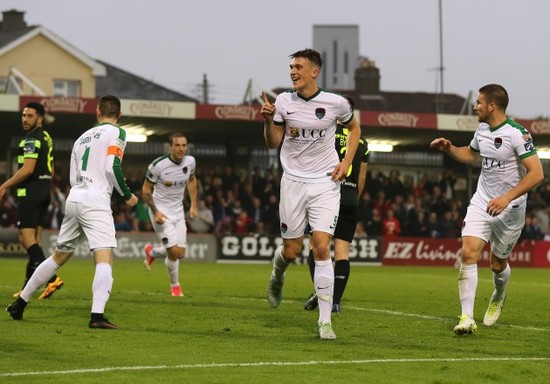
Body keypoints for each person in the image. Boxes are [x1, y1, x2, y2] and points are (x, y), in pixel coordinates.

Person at [6, 95, 138, 329]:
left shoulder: (81, 138)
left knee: (58, 257)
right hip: (96, 201)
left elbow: (73, 178)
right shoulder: (117, 133)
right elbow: (112, 167)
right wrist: (127, 195)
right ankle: (97, 316)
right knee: (104, 258)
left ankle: (20, 303)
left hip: (75, 197)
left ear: (97, 113)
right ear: (119, 115)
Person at [260, 48, 361, 340]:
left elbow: (355, 128)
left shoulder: (335, 102)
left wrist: (346, 163)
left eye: (299, 67)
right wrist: (268, 120)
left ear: (314, 72)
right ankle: (277, 275)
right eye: (291, 66)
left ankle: (325, 321)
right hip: (292, 181)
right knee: (291, 251)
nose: (293, 71)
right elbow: (272, 143)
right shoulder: (282, 101)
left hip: (325, 182)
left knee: (320, 246)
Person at [430, 84, 544, 335]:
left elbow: (537, 174)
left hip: (510, 207)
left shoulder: (518, 134)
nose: (475, 106)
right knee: (469, 252)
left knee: (496, 263)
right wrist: (449, 148)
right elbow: (471, 156)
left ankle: (499, 294)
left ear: (492, 106)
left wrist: (506, 198)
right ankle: (466, 318)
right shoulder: (482, 130)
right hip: (482, 201)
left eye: (479, 102)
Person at [303, 95, 370, 314]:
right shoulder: (362, 142)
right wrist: (354, 197)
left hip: (327, 196)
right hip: (351, 199)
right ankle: (336, 301)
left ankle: (321, 292)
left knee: (317, 248)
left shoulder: (327, 134)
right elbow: (361, 178)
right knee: (343, 253)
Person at [0, 102, 64, 300]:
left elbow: (27, 169)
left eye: (29, 116)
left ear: (40, 118)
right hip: (43, 192)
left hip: (30, 193)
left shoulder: (32, 139)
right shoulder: (46, 137)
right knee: (35, 241)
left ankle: (52, 277)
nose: (25, 119)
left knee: (25, 240)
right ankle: (28, 287)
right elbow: (51, 169)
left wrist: (5, 185)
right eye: (24, 115)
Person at [142, 133, 198, 297]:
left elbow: (193, 180)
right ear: (170, 147)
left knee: (180, 253)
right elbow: (146, 190)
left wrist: (193, 205)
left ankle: (152, 252)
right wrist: (155, 211)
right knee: (173, 253)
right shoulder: (158, 165)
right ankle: (175, 286)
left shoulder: (191, 162)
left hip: (178, 211)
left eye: (184, 145)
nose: (181, 149)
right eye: (177, 145)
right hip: (160, 211)